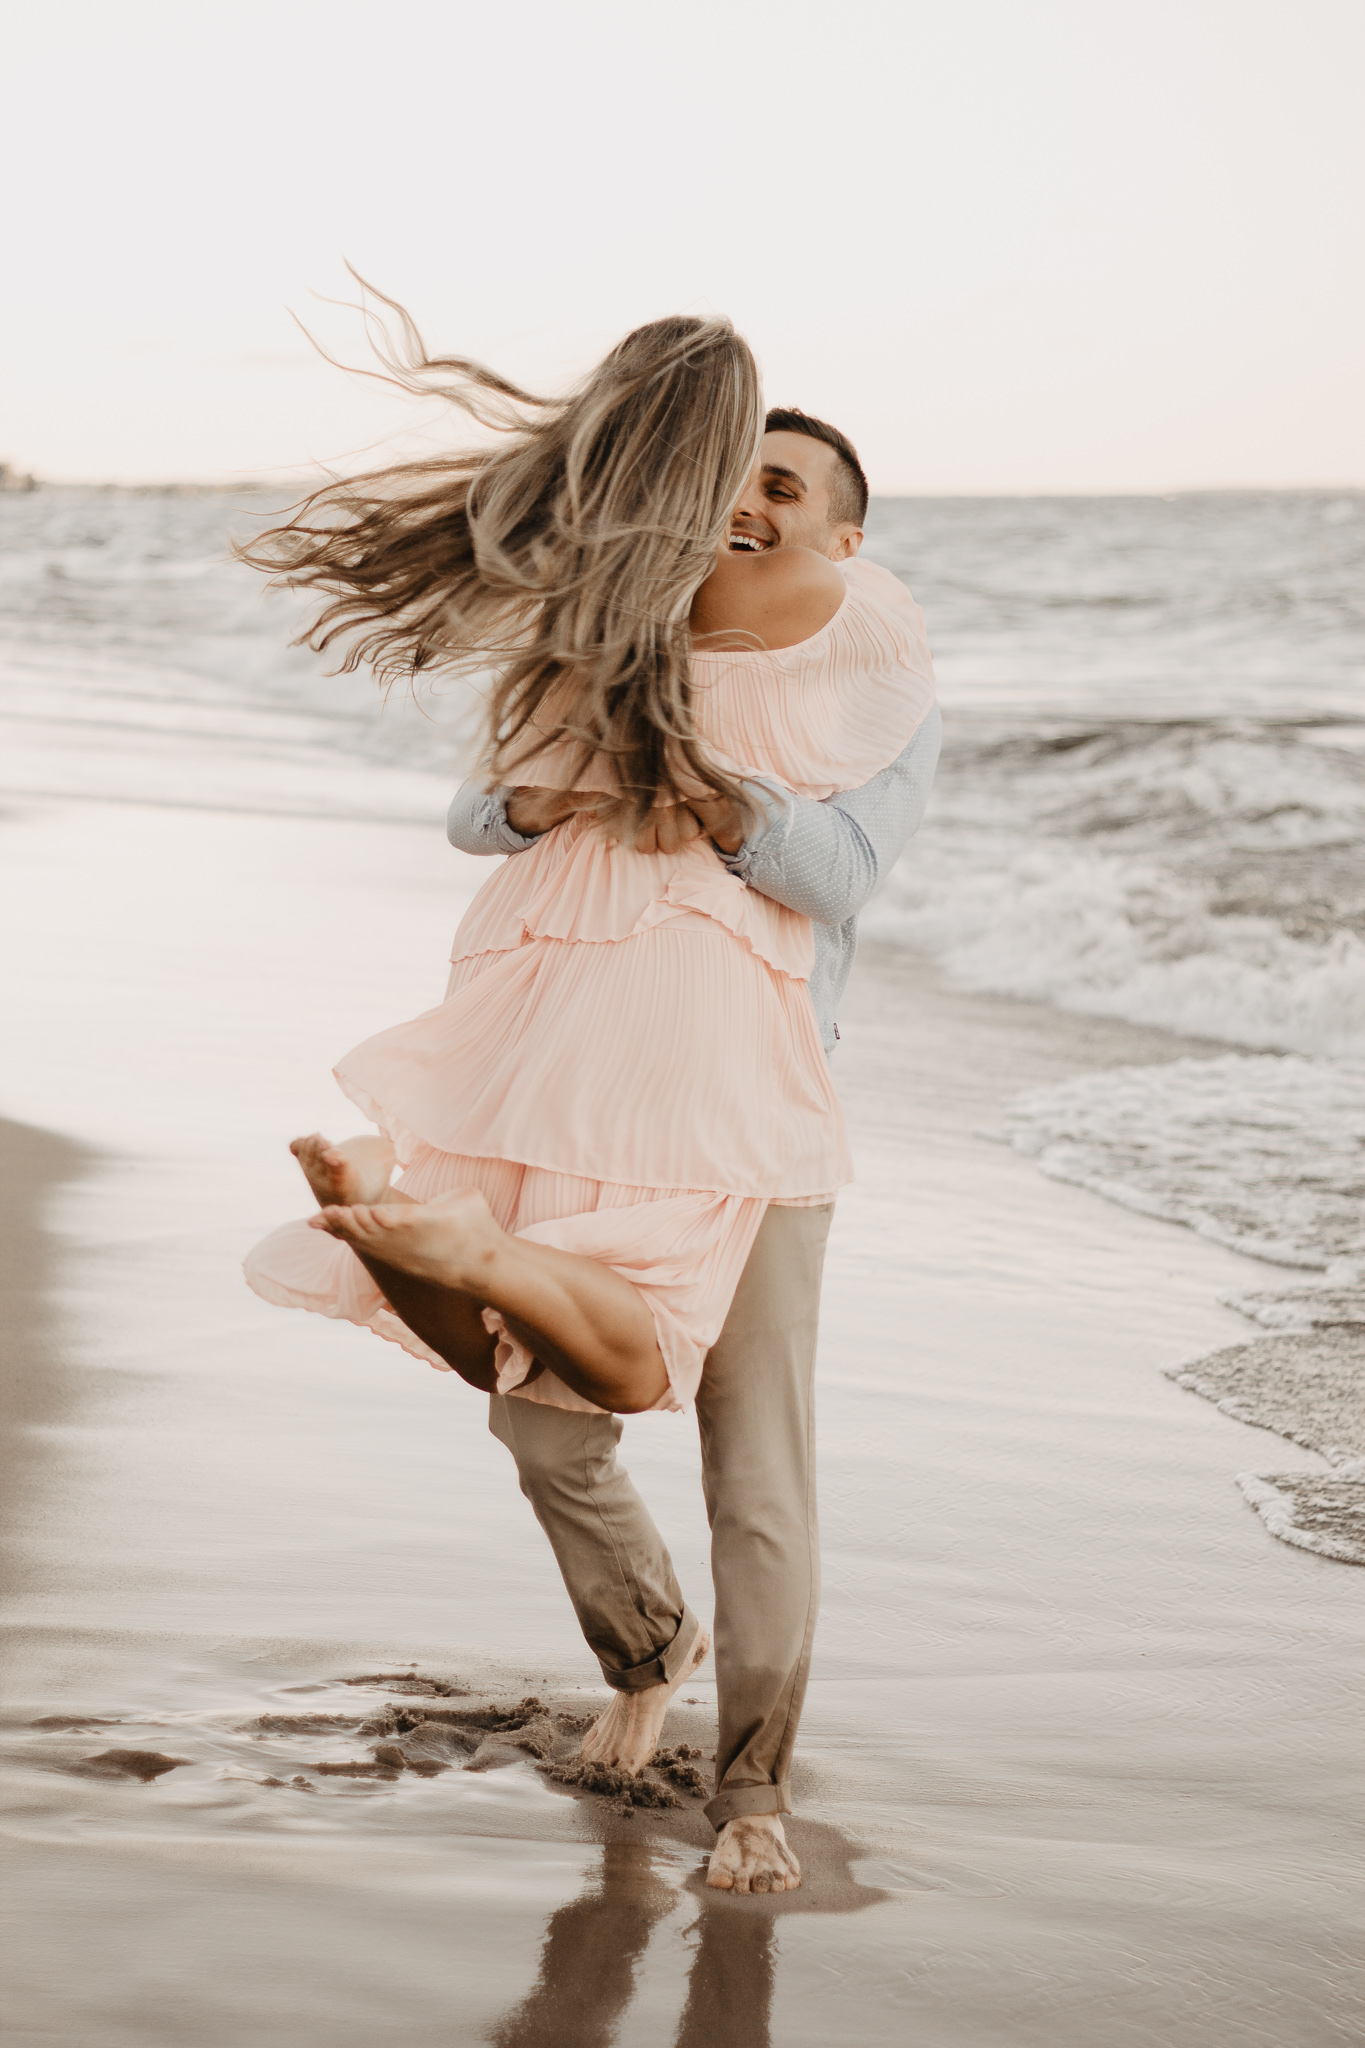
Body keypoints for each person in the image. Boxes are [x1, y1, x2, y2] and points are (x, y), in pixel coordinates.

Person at [240, 313, 937, 1891]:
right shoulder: (599, 623)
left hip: (750, 1107)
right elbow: (478, 810)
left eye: (786, 485)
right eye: (734, 475)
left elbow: (841, 879)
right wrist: (534, 793)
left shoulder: (861, 668)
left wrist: (713, 789)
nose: (750, 504)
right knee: (538, 1427)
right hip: (561, 1072)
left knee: (752, 1462)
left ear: (843, 531)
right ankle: (646, 1648)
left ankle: (748, 1787)